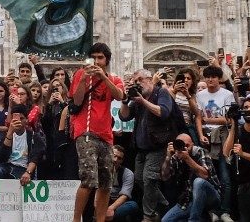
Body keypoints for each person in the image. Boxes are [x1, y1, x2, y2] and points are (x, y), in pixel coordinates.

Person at [70, 43, 126, 222]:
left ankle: (100, 220)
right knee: (88, 179)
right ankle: (76, 219)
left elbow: (119, 96)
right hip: (85, 132)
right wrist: (84, 80)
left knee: (106, 183)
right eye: (93, 57)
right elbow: (77, 100)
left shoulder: (115, 78)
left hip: (106, 136)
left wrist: (104, 77)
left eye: (100, 58)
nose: (96, 61)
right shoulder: (80, 74)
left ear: (107, 60)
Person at [119, 66, 177, 222]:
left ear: (150, 80)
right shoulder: (138, 98)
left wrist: (142, 101)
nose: (137, 83)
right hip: (141, 148)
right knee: (139, 179)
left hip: (158, 146)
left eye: (140, 80)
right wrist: (125, 100)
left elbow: (163, 112)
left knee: (149, 179)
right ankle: (164, 203)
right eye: (134, 81)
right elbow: (124, 117)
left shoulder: (161, 93)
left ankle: (148, 215)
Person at [195, 65, 235, 221]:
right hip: (207, 137)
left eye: (213, 76)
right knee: (209, 176)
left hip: (223, 137)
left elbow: (230, 119)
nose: (210, 79)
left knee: (225, 176)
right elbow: (198, 117)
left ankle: (225, 211)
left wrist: (209, 119)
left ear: (219, 78)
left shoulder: (227, 94)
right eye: (208, 77)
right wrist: (200, 134)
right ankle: (212, 210)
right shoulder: (200, 95)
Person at [158, 133, 220, 222]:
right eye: (181, 145)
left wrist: (187, 158)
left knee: (198, 182)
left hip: (211, 196)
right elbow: (164, 177)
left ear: (193, 144)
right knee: (165, 220)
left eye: (187, 145)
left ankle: (193, 219)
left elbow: (205, 175)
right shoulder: (176, 155)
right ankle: (204, 215)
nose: (185, 148)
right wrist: (168, 157)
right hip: (188, 200)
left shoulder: (200, 151)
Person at [0, 106, 44, 182]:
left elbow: (35, 157)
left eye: (21, 119)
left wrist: (28, 172)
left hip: (24, 168)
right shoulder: (5, 135)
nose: (19, 121)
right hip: (8, 166)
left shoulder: (33, 136)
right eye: (15, 119)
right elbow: (2, 158)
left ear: (26, 120)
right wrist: (10, 132)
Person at [105, 145, 139, 222]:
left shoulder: (127, 173)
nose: (115, 160)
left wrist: (110, 209)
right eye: (114, 156)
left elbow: (125, 195)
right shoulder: (99, 170)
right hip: (101, 202)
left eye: (119, 158)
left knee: (132, 205)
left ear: (122, 161)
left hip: (117, 204)